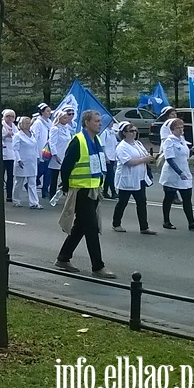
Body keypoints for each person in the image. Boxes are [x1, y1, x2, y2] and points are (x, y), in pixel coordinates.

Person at [54, 110, 116, 279]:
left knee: (80, 227)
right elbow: (66, 167)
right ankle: (98, 266)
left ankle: (63, 258)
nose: (99, 123)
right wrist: (66, 187)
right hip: (81, 191)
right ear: (86, 123)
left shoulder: (96, 140)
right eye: (96, 121)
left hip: (93, 190)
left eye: (99, 121)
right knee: (91, 228)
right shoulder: (78, 141)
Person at [160, 118, 194, 231]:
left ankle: (191, 222)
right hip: (172, 174)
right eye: (178, 128)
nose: (181, 130)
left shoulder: (182, 140)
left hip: (185, 173)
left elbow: (183, 156)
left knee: (187, 199)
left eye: (182, 127)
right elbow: (170, 159)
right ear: (172, 130)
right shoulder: (169, 141)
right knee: (169, 198)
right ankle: (166, 221)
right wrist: (179, 172)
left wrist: (192, 151)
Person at [112, 122, 156, 234]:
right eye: (131, 131)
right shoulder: (122, 147)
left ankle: (144, 227)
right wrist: (143, 160)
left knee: (142, 203)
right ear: (124, 133)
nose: (134, 133)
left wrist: (150, 158)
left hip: (139, 178)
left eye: (135, 130)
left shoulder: (137, 144)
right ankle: (116, 224)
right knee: (123, 202)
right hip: (127, 179)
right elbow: (127, 162)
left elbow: (144, 155)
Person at [11, 116, 41, 209]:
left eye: (29, 122)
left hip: (32, 161)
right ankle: (16, 200)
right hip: (22, 161)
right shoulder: (18, 135)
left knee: (32, 182)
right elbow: (15, 149)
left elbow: (35, 147)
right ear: (21, 124)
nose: (28, 124)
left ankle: (34, 202)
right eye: (26, 123)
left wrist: (37, 157)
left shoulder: (32, 134)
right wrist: (19, 160)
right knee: (19, 182)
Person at [48, 107, 74, 196]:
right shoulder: (55, 128)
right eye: (64, 118)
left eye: (67, 118)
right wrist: (55, 155)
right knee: (54, 176)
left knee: (66, 174)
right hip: (57, 155)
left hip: (65, 154)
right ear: (59, 118)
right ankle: (52, 194)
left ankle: (64, 191)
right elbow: (52, 142)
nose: (67, 120)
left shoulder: (67, 128)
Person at [31, 103, 53, 198]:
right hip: (41, 149)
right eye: (47, 111)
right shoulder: (38, 123)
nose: (49, 113)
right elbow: (35, 137)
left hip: (49, 149)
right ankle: (31, 182)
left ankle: (45, 190)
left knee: (48, 171)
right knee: (41, 170)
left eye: (50, 111)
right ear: (42, 112)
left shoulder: (50, 122)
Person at [100, 120, 119, 200]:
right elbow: (102, 145)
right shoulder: (104, 132)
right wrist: (105, 157)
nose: (112, 123)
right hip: (107, 156)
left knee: (109, 175)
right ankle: (113, 191)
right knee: (111, 174)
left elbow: (115, 144)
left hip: (112, 156)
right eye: (110, 121)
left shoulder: (112, 132)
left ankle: (105, 191)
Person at [1, 109, 16, 202]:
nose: (10, 118)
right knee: (0, 175)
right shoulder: (1, 126)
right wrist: (6, 135)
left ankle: (9, 195)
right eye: (8, 116)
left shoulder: (14, 126)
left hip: (12, 154)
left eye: (12, 116)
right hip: (3, 154)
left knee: (11, 176)